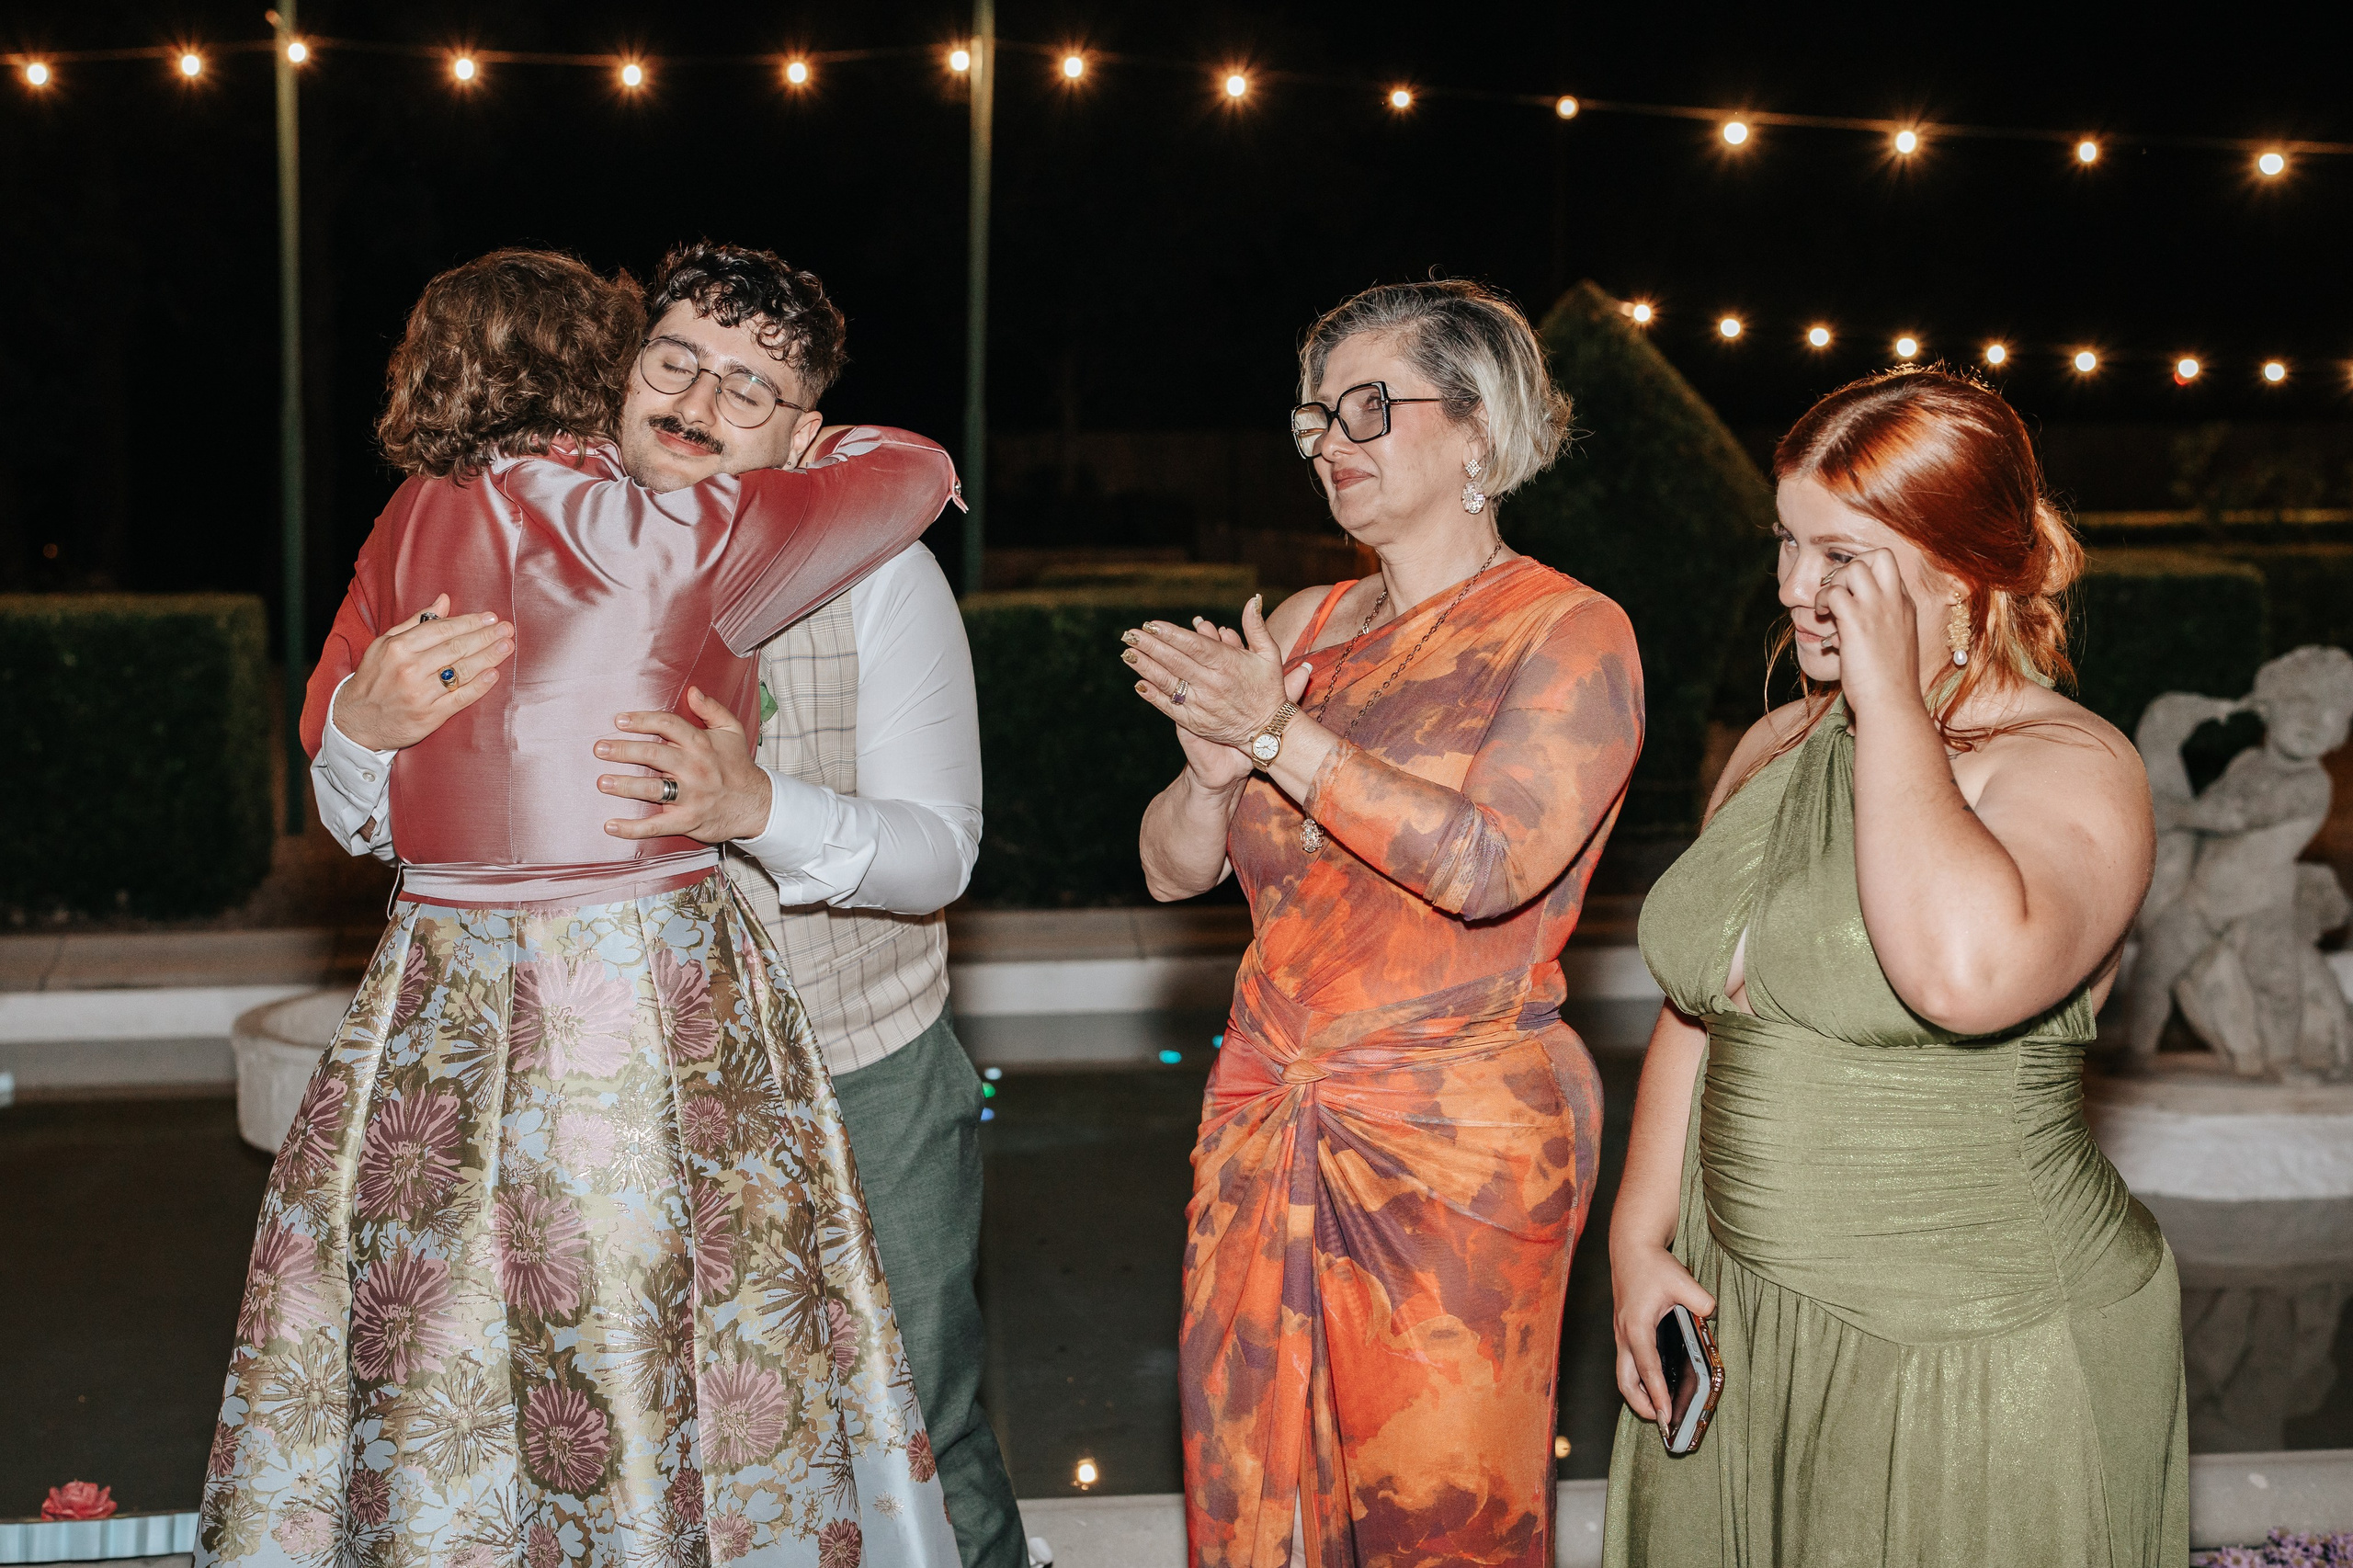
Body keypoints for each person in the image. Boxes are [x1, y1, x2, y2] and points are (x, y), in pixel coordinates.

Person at [198, 249, 963, 1568]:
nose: (701, 400)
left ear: (799, 423)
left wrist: (763, 808)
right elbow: (352, 806)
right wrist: (364, 733)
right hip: (645, 1030)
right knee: (572, 1362)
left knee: (489, 1367)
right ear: (614, 371)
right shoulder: (690, 536)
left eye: (754, 388)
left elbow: (937, 852)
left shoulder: (414, 520)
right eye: (672, 362)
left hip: (860, 1046)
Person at [1602, 367, 2188, 1566]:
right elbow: (1702, 1008)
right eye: (1785, 543)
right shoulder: (1777, 741)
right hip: (1742, 1309)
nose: (1792, 590)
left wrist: (1890, 707)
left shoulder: (2071, 767)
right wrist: (1638, 1236)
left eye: (1840, 560)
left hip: (1974, 1341)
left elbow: (1963, 975)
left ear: (1964, 570)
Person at [1126, 279, 1643, 1568]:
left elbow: (1486, 865)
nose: (1333, 443)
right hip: (1266, 1105)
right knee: (1254, 1494)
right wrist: (1209, 766)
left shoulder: (1570, 631)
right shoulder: (1298, 630)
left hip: (1455, 1135)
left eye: (1372, 407)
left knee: (1439, 1517)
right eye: (1317, 419)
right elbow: (1170, 871)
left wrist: (1275, 733)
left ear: (1479, 431)